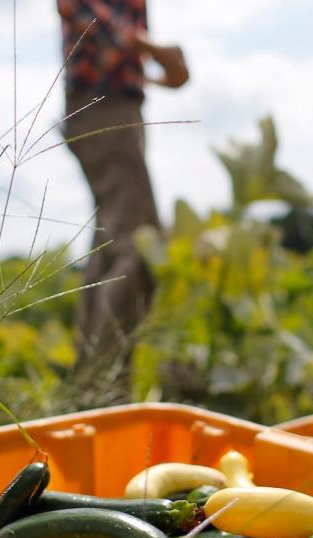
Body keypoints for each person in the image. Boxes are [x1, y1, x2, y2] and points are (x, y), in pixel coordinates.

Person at [57, 0, 188, 395]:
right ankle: (108, 387)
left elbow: (128, 55)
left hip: (121, 110)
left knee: (110, 244)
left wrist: (162, 67)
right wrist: (161, 53)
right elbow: (109, 33)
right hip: (102, 109)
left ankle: (88, 384)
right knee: (139, 242)